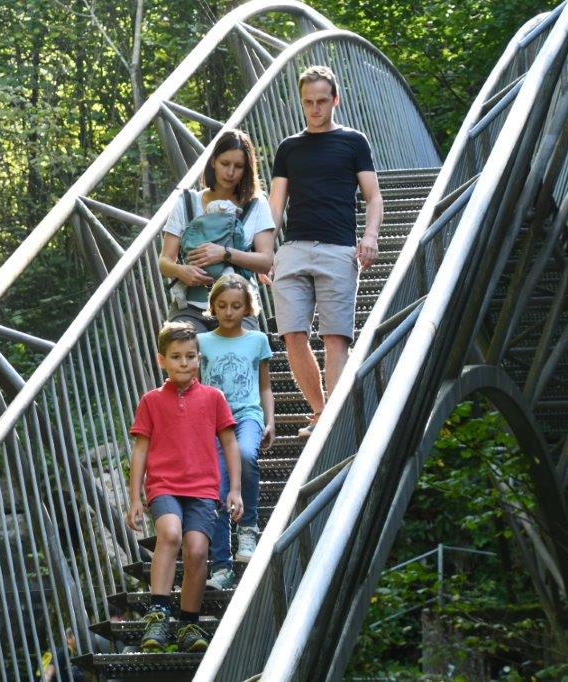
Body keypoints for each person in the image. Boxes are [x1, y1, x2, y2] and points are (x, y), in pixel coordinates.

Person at [268, 65, 383, 438]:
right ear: (301, 103)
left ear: (335, 100)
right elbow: (275, 205)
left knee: (335, 337)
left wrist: (370, 236)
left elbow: (373, 196)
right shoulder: (289, 147)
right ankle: (320, 413)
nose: (315, 109)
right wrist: (265, 251)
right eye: (308, 102)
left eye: (321, 101)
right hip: (293, 248)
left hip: (338, 249)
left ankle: (333, 422)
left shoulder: (354, 142)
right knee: (292, 334)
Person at [125, 322, 243, 653]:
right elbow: (140, 450)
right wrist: (135, 498)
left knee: (197, 550)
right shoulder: (150, 401)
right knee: (170, 534)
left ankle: (189, 622)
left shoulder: (214, 398)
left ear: (198, 358)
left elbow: (230, 443)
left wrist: (234, 489)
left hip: (203, 489)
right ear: (162, 360)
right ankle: (158, 614)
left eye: (190, 356)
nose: (184, 362)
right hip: (164, 485)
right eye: (176, 357)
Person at [198, 274, 274, 591]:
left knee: (244, 454)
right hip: (213, 423)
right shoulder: (201, 342)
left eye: (236, 306)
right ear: (213, 307)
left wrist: (270, 420)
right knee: (216, 487)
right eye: (223, 305)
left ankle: (248, 528)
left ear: (247, 308)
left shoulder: (258, 340)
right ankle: (221, 566)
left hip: (247, 415)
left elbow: (265, 386)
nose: (229, 312)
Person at [159, 129, 275, 333]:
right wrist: (181, 271)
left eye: (238, 166)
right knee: (180, 343)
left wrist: (225, 254)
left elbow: (266, 261)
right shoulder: (187, 202)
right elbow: (165, 261)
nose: (230, 172)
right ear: (213, 161)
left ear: (247, 169)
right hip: (190, 307)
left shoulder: (256, 204)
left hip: (238, 307)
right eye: (225, 163)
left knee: (242, 349)